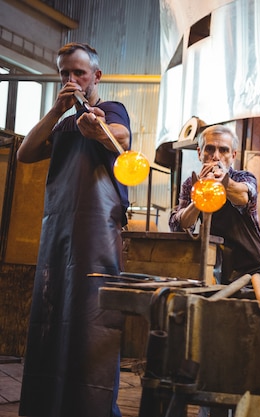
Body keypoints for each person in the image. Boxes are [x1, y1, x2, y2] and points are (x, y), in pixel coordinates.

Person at [17, 42, 130, 417]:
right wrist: (55, 110)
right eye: (65, 73)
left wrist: (96, 129)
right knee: (53, 317)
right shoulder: (63, 123)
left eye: (79, 72)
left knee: (90, 323)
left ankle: (93, 408)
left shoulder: (110, 110)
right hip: (58, 232)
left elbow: (122, 139)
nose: (71, 79)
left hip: (96, 233)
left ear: (96, 76)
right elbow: (25, 153)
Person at [169, 124, 260, 291]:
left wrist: (223, 184)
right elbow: (178, 226)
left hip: (251, 274)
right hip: (213, 271)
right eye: (209, 149)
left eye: (223, 150)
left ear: (233, 155)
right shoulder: (191, 184)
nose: (216, 157)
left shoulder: (244, 178)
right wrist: (200, 193)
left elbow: (243, 196)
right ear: (199, 153)